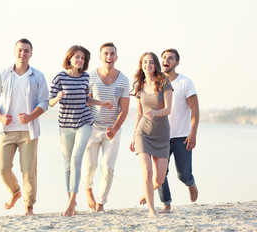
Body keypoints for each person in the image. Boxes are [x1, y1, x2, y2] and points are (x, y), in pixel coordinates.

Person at [0, 38, 49, 216]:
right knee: (2, 168)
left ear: (31, 53)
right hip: (6, 130)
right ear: (15, 52)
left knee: (29, 171)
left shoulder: (37, 76)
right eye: (20, 50)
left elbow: (44, 101)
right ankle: (15, 192)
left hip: (28, 132)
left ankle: (29, 207)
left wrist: (30, 116)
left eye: (26, 51)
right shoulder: (4, 74)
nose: (23, 53)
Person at [49, 45, 112, 217]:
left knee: (76, 159)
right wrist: (58, 97)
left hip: (84, 122)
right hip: (65, 125)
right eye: (77, 57)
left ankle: (71, 203)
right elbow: (50, 102)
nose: (80, 60)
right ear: (69, 58)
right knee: (68, 164)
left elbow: (86, 98)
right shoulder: (59, 77)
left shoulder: (85, 77)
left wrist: (101, 103)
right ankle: (72, 200)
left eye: (83, 58)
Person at [82, 42, 130, 212]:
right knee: (90, 167)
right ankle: (88, 189)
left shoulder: (123, 80)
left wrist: (115, 128)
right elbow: (85, 101)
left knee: (108, 167)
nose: (109, 57)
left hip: (113, 130)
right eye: (106, 54)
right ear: (100, 56)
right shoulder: (90, 77)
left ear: (116, 57)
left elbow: (124, 109)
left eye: (112, 54)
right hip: (92, 128)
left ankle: (101, 203)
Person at [130, 52, 173, 217]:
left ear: (155, 65)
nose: (147, 65)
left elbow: (169, 109)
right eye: (144, 62)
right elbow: (139, 114)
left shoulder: (164, 82)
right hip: (143, 134)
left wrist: (156, 113)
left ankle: (146, 193)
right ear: (141, 65)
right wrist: (134, 135)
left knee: (159, 179)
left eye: (151, 62)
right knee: (147, 172)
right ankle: (151, 210)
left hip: (161, 135)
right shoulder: (139, 86)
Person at [157, 48, 199, 213]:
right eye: (164, 58)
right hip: (161, 136)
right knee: (161, 174)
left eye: (170, 58)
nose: (166, 61)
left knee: (183, 174)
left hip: (182, 136)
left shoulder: (185, 82)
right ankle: (166, 204)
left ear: (177, 62)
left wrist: (193, 133)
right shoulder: (157, 82)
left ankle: (190, 183)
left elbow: (195, 110)